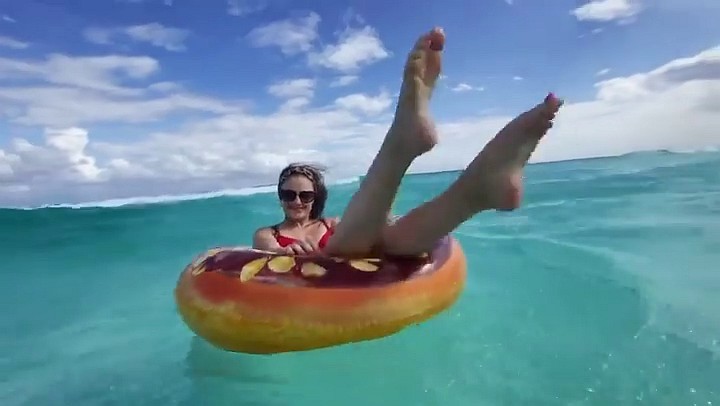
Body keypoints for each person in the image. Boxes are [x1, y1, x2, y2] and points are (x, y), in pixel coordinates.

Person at [253, 26, 563, 258]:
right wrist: (284, 253)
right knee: (352, 246)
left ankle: (474, 189)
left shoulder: (331, 224)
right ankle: (455, 178)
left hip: (356, 253)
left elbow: (372, 226)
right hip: (324, 277)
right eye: (288, 194)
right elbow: (267, 255)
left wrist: (383, 220)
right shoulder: (268, 235)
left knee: (389, 236)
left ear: (316, 197)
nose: (296, 201)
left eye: (304, 195)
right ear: (280, 197)